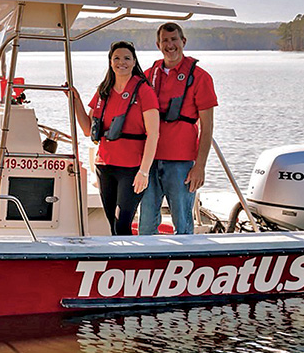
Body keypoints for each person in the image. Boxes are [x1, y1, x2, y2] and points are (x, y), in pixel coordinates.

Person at [68, 41, 159, 236]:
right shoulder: (105, 90)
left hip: (132, 169)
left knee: (122, 224)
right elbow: (87, 128)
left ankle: (129, 262)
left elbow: (154, 133)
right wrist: (75, 100)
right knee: (112, 224)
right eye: (116, 58)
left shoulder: (144, 91)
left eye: (126, 58)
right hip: (105, 166)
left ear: (134, 61)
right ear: (110, 62)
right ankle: (119, 262)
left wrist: (144, 171)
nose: (121, 62)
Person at [139, 22, 218, 235]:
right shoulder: (147, 76)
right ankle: (148, 264)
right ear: (158, 44)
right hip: (149, 162)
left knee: (183, 225)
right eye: (165, 40)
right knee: (145, 225)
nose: (170, 45)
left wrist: (199, 166)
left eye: (174, 40)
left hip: (182, 163)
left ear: (183, 42)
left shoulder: (201, 78)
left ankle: (184, 266)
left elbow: (207, 127)